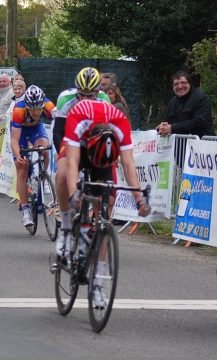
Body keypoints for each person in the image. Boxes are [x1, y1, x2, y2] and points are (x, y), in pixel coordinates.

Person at [55, 100, 149, 306]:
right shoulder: (79, 115)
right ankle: (67, 227)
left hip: (104, 154)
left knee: (108, 202)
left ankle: (98, 280)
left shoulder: (120, 121)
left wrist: (139, 199)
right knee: (62, 174)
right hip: (80, 146)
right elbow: (71, 163)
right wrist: (73, 195)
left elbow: (127, 163)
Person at [10, 85, 55, 228]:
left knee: (45, 149)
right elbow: (14, 140)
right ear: (28, 107)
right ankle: (25, 212)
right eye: (33, 109)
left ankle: (42, 177)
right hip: (21, 132)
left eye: (39, 109)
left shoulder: (49, 106)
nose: (36, 112)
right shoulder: (19, 110)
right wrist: (18, 156)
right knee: (22, 169)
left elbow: (59, 125)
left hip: (36, 129)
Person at [52, 67, 110, 152]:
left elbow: (105, 132)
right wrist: (64, 155)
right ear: (77, 89)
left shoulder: (104, 100)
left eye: (89, 96)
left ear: (97, 92)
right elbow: (58, 132)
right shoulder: (65, 99)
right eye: (81, 94)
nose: (84, 99)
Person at [157, 70, 213, 138]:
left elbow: (199, 122)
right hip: (179, 146)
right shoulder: (172, 103)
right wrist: (161, 128)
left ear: (189, 84)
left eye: (183, 83)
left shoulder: (201, 99)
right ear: (172, 87)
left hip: (202, 145)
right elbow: (166, 122)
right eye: (176, 84)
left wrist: (172, 128)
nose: (180, 86)